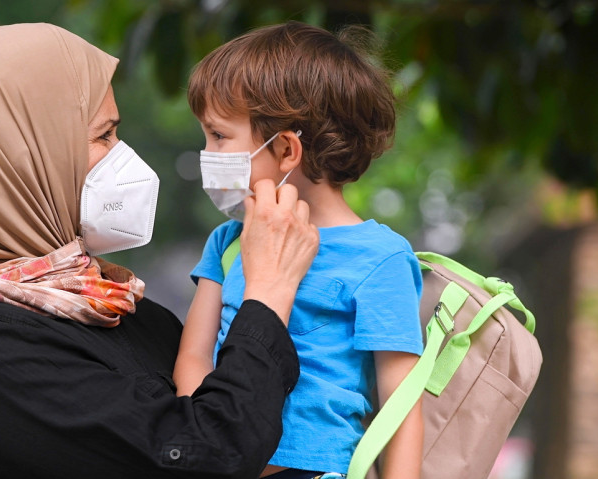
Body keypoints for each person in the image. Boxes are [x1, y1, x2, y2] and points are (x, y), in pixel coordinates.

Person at [0, 23, 319, 479]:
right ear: (24, 157)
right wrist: (268, 290)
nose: (122, 157)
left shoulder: (124, 311)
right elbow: (208, 456)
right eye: (103, 136)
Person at [173, 22, 424, 479]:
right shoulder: (228, 243)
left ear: (286, 149)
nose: (207, 152)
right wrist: (201, 444)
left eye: (219, 136)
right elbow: (194, 356)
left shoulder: (381, 259)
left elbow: (401, 406)